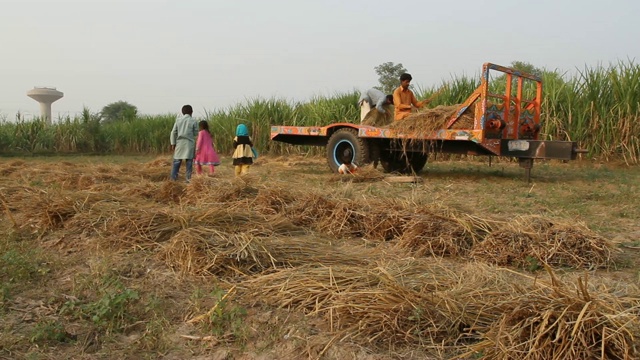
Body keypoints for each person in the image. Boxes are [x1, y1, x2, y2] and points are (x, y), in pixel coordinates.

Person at [170, 105, 198, 182]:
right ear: (191, 112)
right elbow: (195, 133)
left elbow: (173, 132)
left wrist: (173, 143)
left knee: (176, 162)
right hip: (189, 144)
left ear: (182, 112)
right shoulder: (194, 121)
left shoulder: (178, 120)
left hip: (179, 144)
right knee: (189, 163)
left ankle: (173, 179)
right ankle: (188, 180)